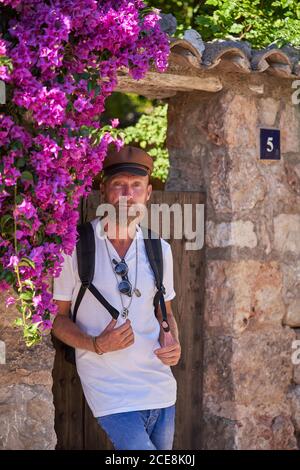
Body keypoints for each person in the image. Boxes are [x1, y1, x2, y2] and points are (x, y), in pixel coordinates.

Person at [52, 145, 181, 450]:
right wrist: (96, 344)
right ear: (103, 191)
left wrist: (173, 340)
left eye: (136, 186)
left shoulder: (158, 248)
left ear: (148, 193)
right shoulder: (75, 246)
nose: (127, 194)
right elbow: (56, 319)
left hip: (160, 385)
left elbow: (166, 312)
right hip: (109, 388)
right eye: (118, 185)